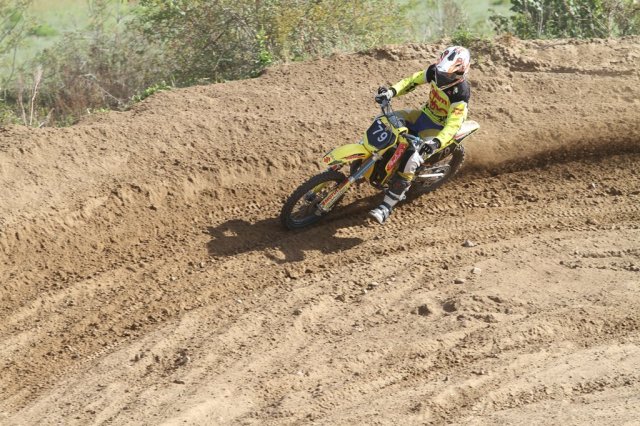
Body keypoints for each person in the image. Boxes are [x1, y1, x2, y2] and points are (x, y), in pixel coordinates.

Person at [369, 45, 471, 224]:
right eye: (440, 72)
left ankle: (386, 207)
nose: (441, 77)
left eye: (446, 75)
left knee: (412, 158)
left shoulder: (460, 93)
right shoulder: (434, 71)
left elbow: (453, 124)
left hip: (438, 130)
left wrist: (436, 142)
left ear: (460, 73)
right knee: (384, 121)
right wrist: (391, 92)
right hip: (423, 116)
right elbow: (412, 81)